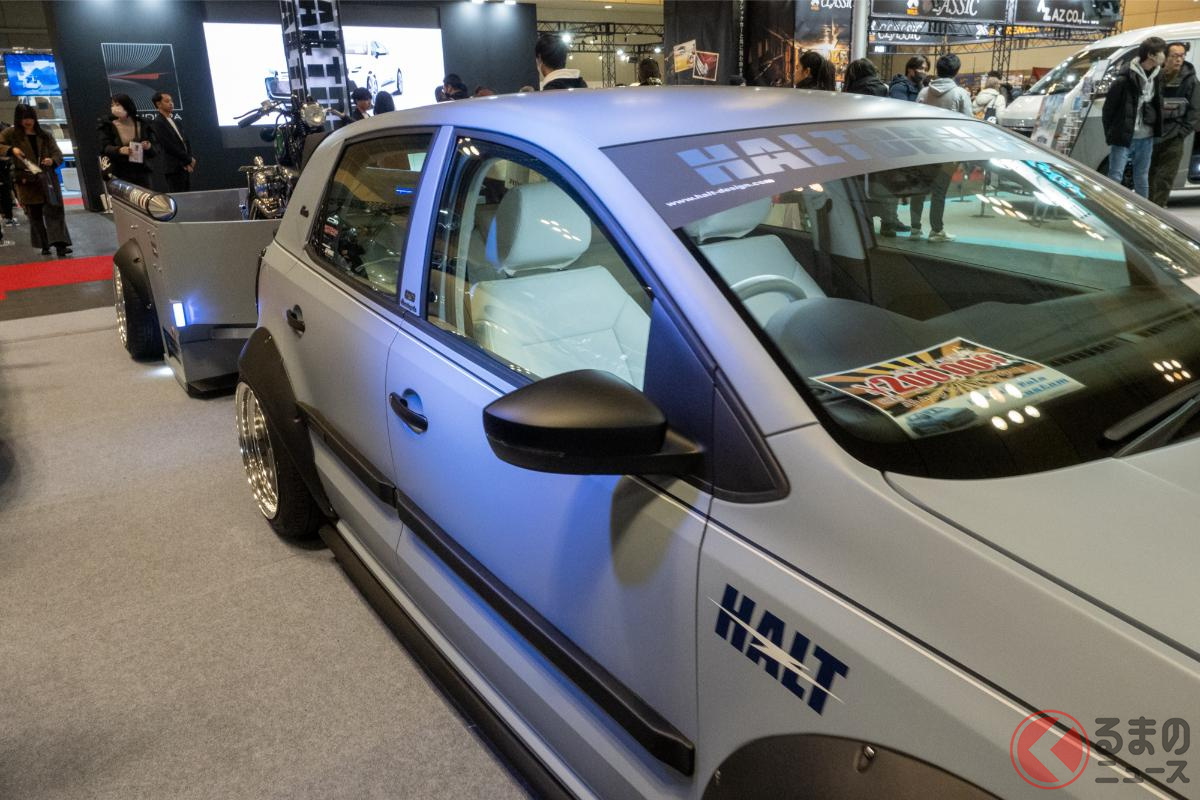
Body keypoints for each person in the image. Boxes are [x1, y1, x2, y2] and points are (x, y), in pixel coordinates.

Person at [912, 54, 972, 243]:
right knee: (939, 191)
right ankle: (936, 230)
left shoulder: (923, 93)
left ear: (937, 70)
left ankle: (915, 229)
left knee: (919, 189)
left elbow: (913, 121)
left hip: (923, 149)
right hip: (948, 150)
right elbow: (968, 124)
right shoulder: (960, 94)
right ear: (956, 71)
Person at [0, 105, 71, 256]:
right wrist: (11, 150)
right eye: (24, 119)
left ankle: (60, 245)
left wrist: (52, 160)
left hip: (47, 178)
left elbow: (57, 153)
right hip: (26, 180)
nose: (28, 122)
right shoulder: (11, 134)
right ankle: (44, 245)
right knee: (34, 214)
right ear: (18, 119)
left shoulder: (44, 134)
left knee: (55, 211)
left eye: (31, 118)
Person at [1102, 36, 1166, 199]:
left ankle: (1144, 210)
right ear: (1150, 55)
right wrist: (1112, 134)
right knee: (1115, 175)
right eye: (1161, 52)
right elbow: (1108, 110)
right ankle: (1111, 207)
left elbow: (1158, 104)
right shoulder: (1124, 79)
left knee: (1142, 176)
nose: (1163, 56)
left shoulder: (1158, 76)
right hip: (1124, 136)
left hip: (1146, 136)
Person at [1149, 41, 1199, 207]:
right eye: (1174, 56)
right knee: (1147, 173)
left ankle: (1158, 209)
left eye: (1182, 56)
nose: (1178, 59)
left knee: (1165, 177)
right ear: (1165, 57)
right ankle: (1146, 207)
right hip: (1151, 133)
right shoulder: (1155, 76)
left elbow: (1195, 109)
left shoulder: (1190, 80)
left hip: (1174, 136)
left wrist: (1182, 132)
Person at [99, 93, 155, 188]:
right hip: (120, 171)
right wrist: (119, 150)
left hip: (142, 171)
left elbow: (155, 148)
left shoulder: (143, 124)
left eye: (117, 104)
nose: (114, 108)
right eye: (112, 105)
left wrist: (148, 146)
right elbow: (104, 148)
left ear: (127, 105)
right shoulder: (108, 125)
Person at [150, 91, 194, 193]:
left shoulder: (176, 121)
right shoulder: (158, 122)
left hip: (185, 165)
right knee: (179, 196)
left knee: (187, 195)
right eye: (167, 101)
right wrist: (188, 159)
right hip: (173, 167)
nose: (171, 103)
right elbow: (169, 145)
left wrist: (189, 158)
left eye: (171, 101)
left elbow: (185, 141)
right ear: (158, 104)